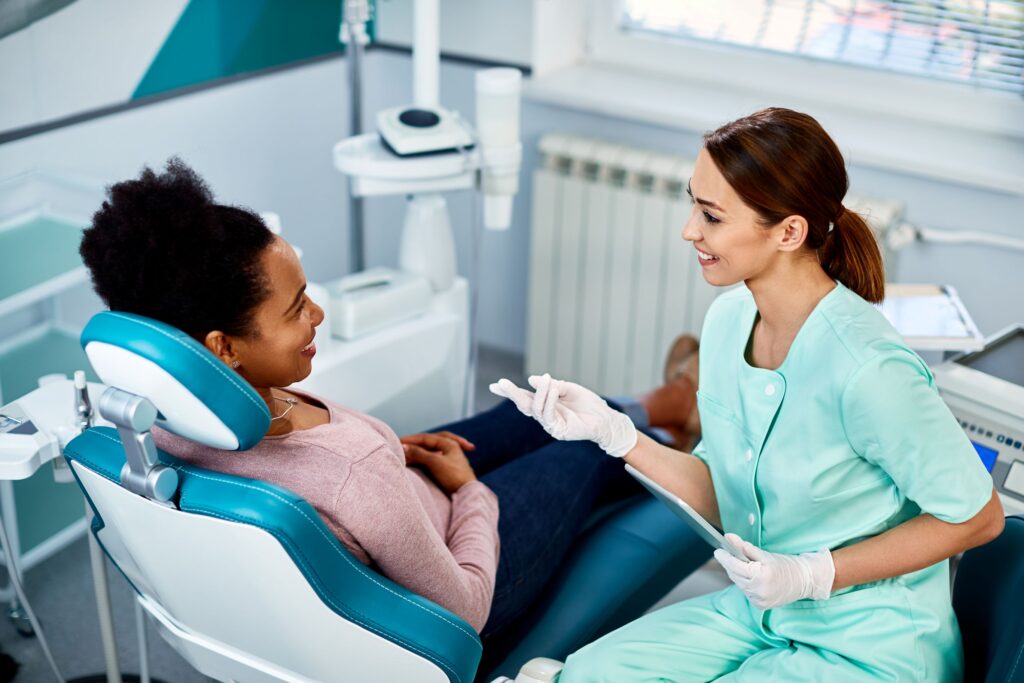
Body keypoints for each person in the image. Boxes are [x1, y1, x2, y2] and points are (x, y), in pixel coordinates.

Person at [76, 158, 701, 675]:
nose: (317, 314)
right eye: (295, 308)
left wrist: (383, 456)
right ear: (223, 348)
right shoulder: (355, 472)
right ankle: (704, 448)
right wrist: (469, 492)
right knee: (585, 442)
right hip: (465, 571)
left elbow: (319, 480)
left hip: (393, 500)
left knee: (542, 404)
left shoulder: (156, 426)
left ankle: (669, 406)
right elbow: (465, 610)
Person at [492, 107, 1004, 682]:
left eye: (711, 215)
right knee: (581, 674)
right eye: (693, 204)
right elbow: (722, 493)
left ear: (789, 231)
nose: (690, 230)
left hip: (870, 642)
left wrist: (814, 574)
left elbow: (979, 519)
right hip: (764, 613)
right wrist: (616, 435)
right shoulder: (729, 321)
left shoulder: (869, 369)